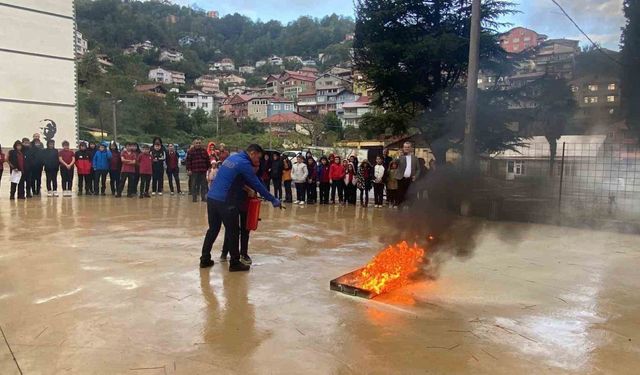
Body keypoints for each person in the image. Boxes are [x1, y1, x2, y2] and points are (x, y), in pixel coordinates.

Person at [200, 144, 281, 272]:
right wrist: (273, 199)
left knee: (213, 229)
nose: (258, 161)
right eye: (258, 158)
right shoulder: (244, 163)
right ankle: (235, 263)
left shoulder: (232, 158)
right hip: (225, 200)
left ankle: (204, 259)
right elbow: (257, 184)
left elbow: (234, 179)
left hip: (212, 198)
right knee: (233, 231)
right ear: (252, 153)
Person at [185, 138, 210, 202]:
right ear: (194, 144)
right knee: (194, 185)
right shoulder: (190, 151)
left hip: (203, 170)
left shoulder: (204, 151)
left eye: (199, 143)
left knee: (204, 185)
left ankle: (203, 198)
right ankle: (194, 198)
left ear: (201, 144)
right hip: (194, 171)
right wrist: (189, 170)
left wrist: (209, 168)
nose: (198, 144)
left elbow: (207, 160)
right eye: (196, 143)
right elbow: (188, 161)